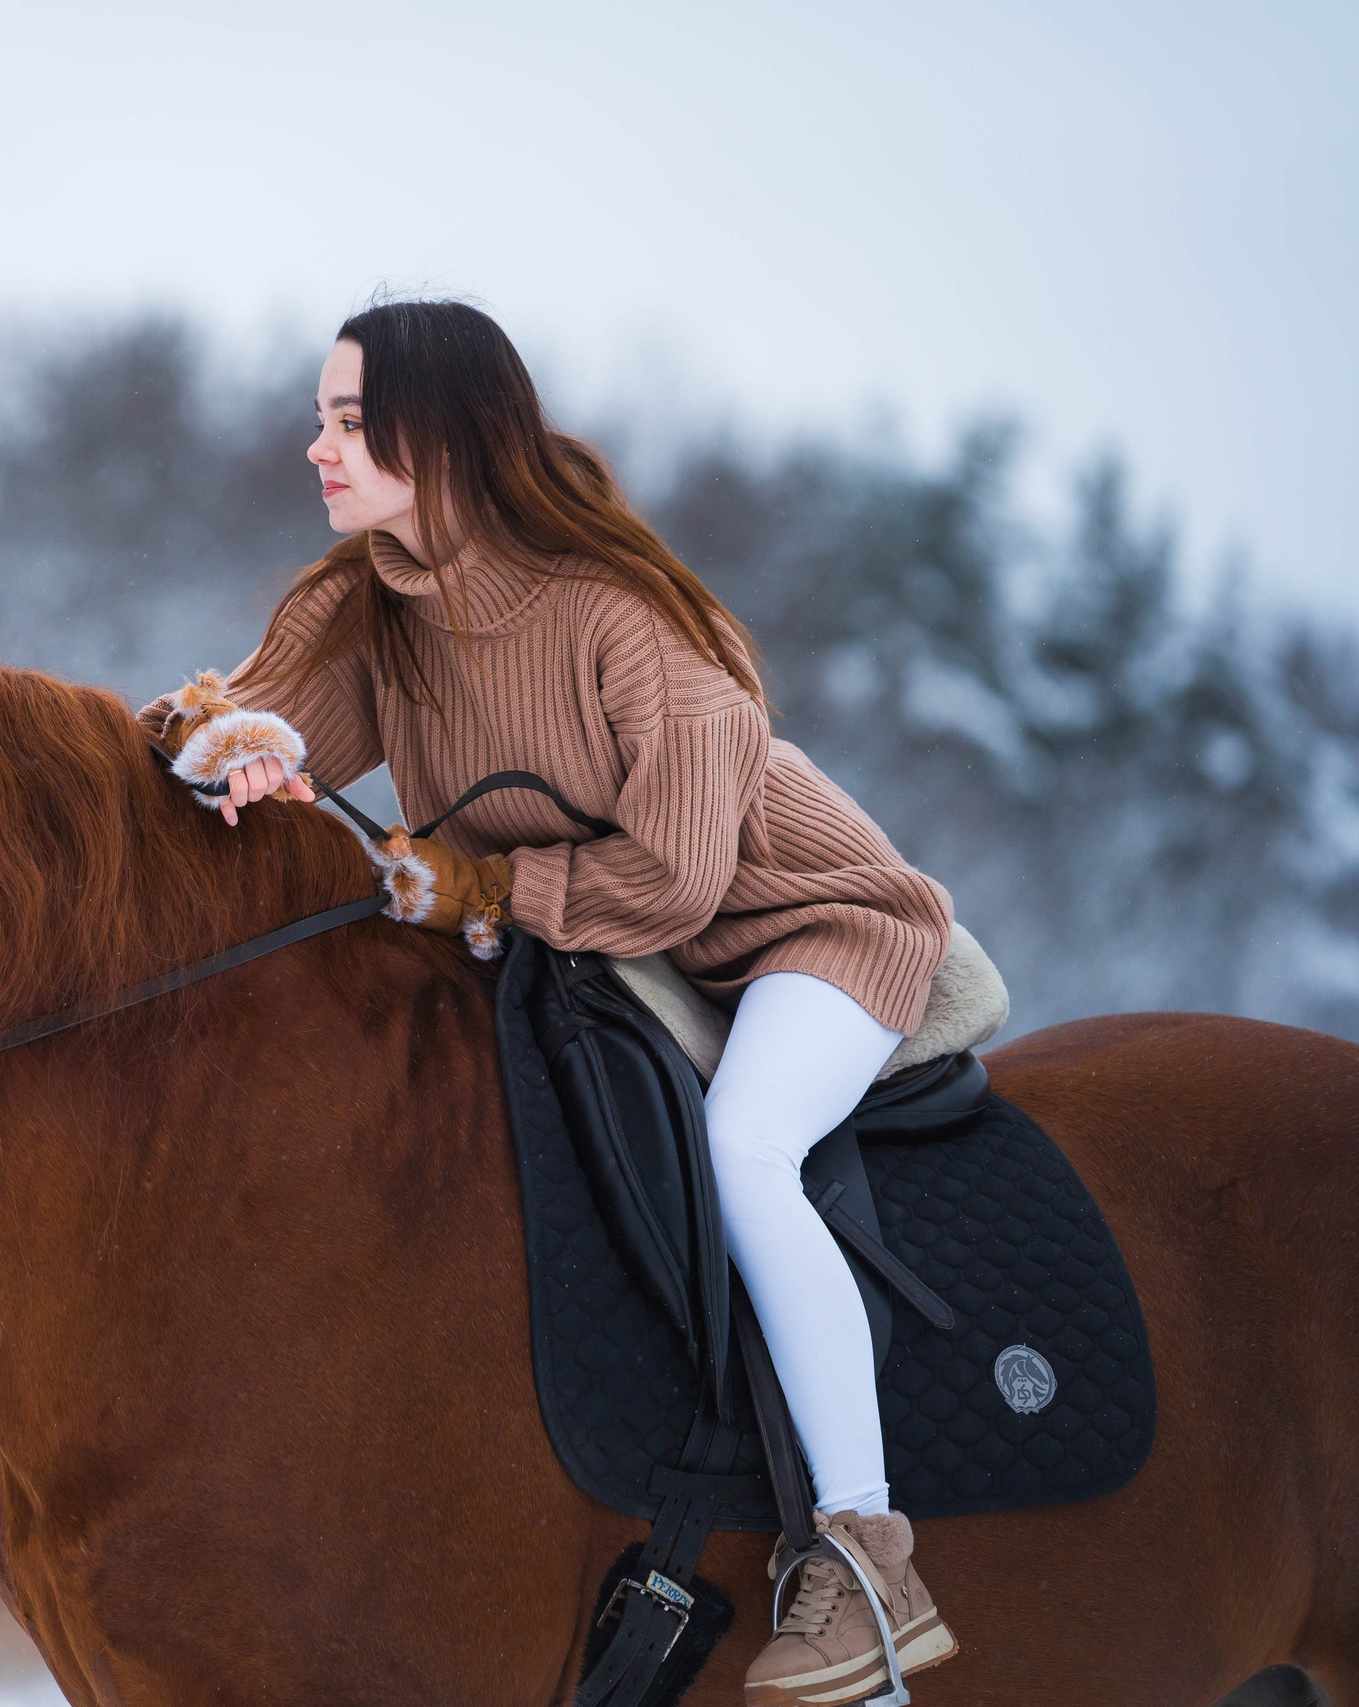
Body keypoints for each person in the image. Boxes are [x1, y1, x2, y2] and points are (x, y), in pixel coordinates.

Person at [140, 299, 959, 1707]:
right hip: (598, 949)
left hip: (802, 930)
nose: (317, 448)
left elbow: (680, 877)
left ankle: (866, 1555)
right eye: (321, 419)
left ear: (445, 436)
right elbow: (267, 718)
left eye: (350, 423)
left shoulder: (630, 621)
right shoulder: (368, 600)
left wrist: (474, 885)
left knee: (747, 1151)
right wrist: (231, 750)